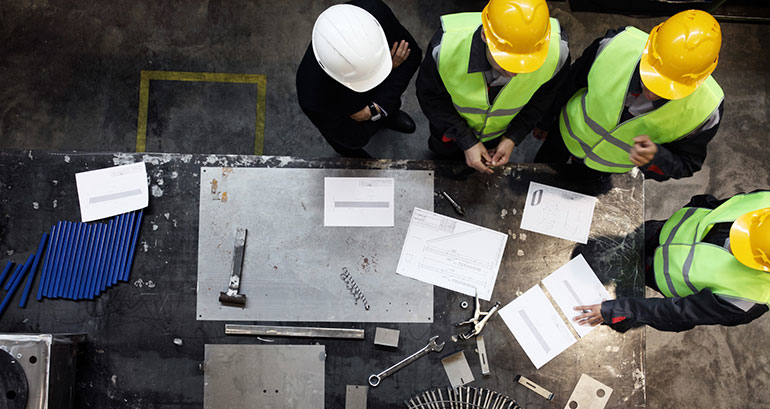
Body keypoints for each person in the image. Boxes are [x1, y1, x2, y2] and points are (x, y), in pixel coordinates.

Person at [534, 10, 724, 182]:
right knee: (539, 175)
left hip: (606, 167)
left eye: (666, 90)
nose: (651, 93)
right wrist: (546, 121)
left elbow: (687, 164)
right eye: (651, 78)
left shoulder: (706, 110)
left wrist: (657, 158)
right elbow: (570, 83)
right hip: (564, 136)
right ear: (649, 49)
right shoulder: (614, 46)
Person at [574, 191, 770, 332]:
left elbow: (676, 314)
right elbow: (714, 204)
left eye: (743, 249)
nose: (732, 243)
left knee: (628, 279)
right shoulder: (765, 202)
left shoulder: (748, 299)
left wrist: (615, 310)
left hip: (656, 272)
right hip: (660, 231)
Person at [416, 0, 570, 174]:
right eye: (506, 62)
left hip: (497, 136)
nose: (515, 73)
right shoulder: (446, 47)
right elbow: (430, 96)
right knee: (443, 162)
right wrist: (467, 141)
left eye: (526, 64)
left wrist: (512, 137)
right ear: (484, 35)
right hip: (448, 130)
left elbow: (544, 98)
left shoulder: (557, 53)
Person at [296, 0, 421, 158]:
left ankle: (387, 115)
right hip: (347, 118)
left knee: (387, 106)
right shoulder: (312, 96)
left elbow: (413, 55)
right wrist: (390, 68)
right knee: (350, 146)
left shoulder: (372, 12)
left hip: (369, 108)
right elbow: (356, 138)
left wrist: (376, 109)